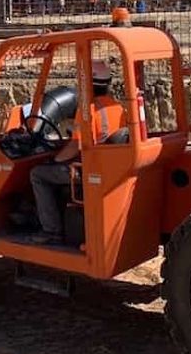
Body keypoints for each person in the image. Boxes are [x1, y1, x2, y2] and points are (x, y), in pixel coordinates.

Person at [28, 60, 126, 244]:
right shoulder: (117, 107)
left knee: (38, 174)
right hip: (110, 167)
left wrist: (54, 160)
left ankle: (51, 230)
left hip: (88, 170)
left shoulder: (88, 110)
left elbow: (75, 146)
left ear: (86, 82)